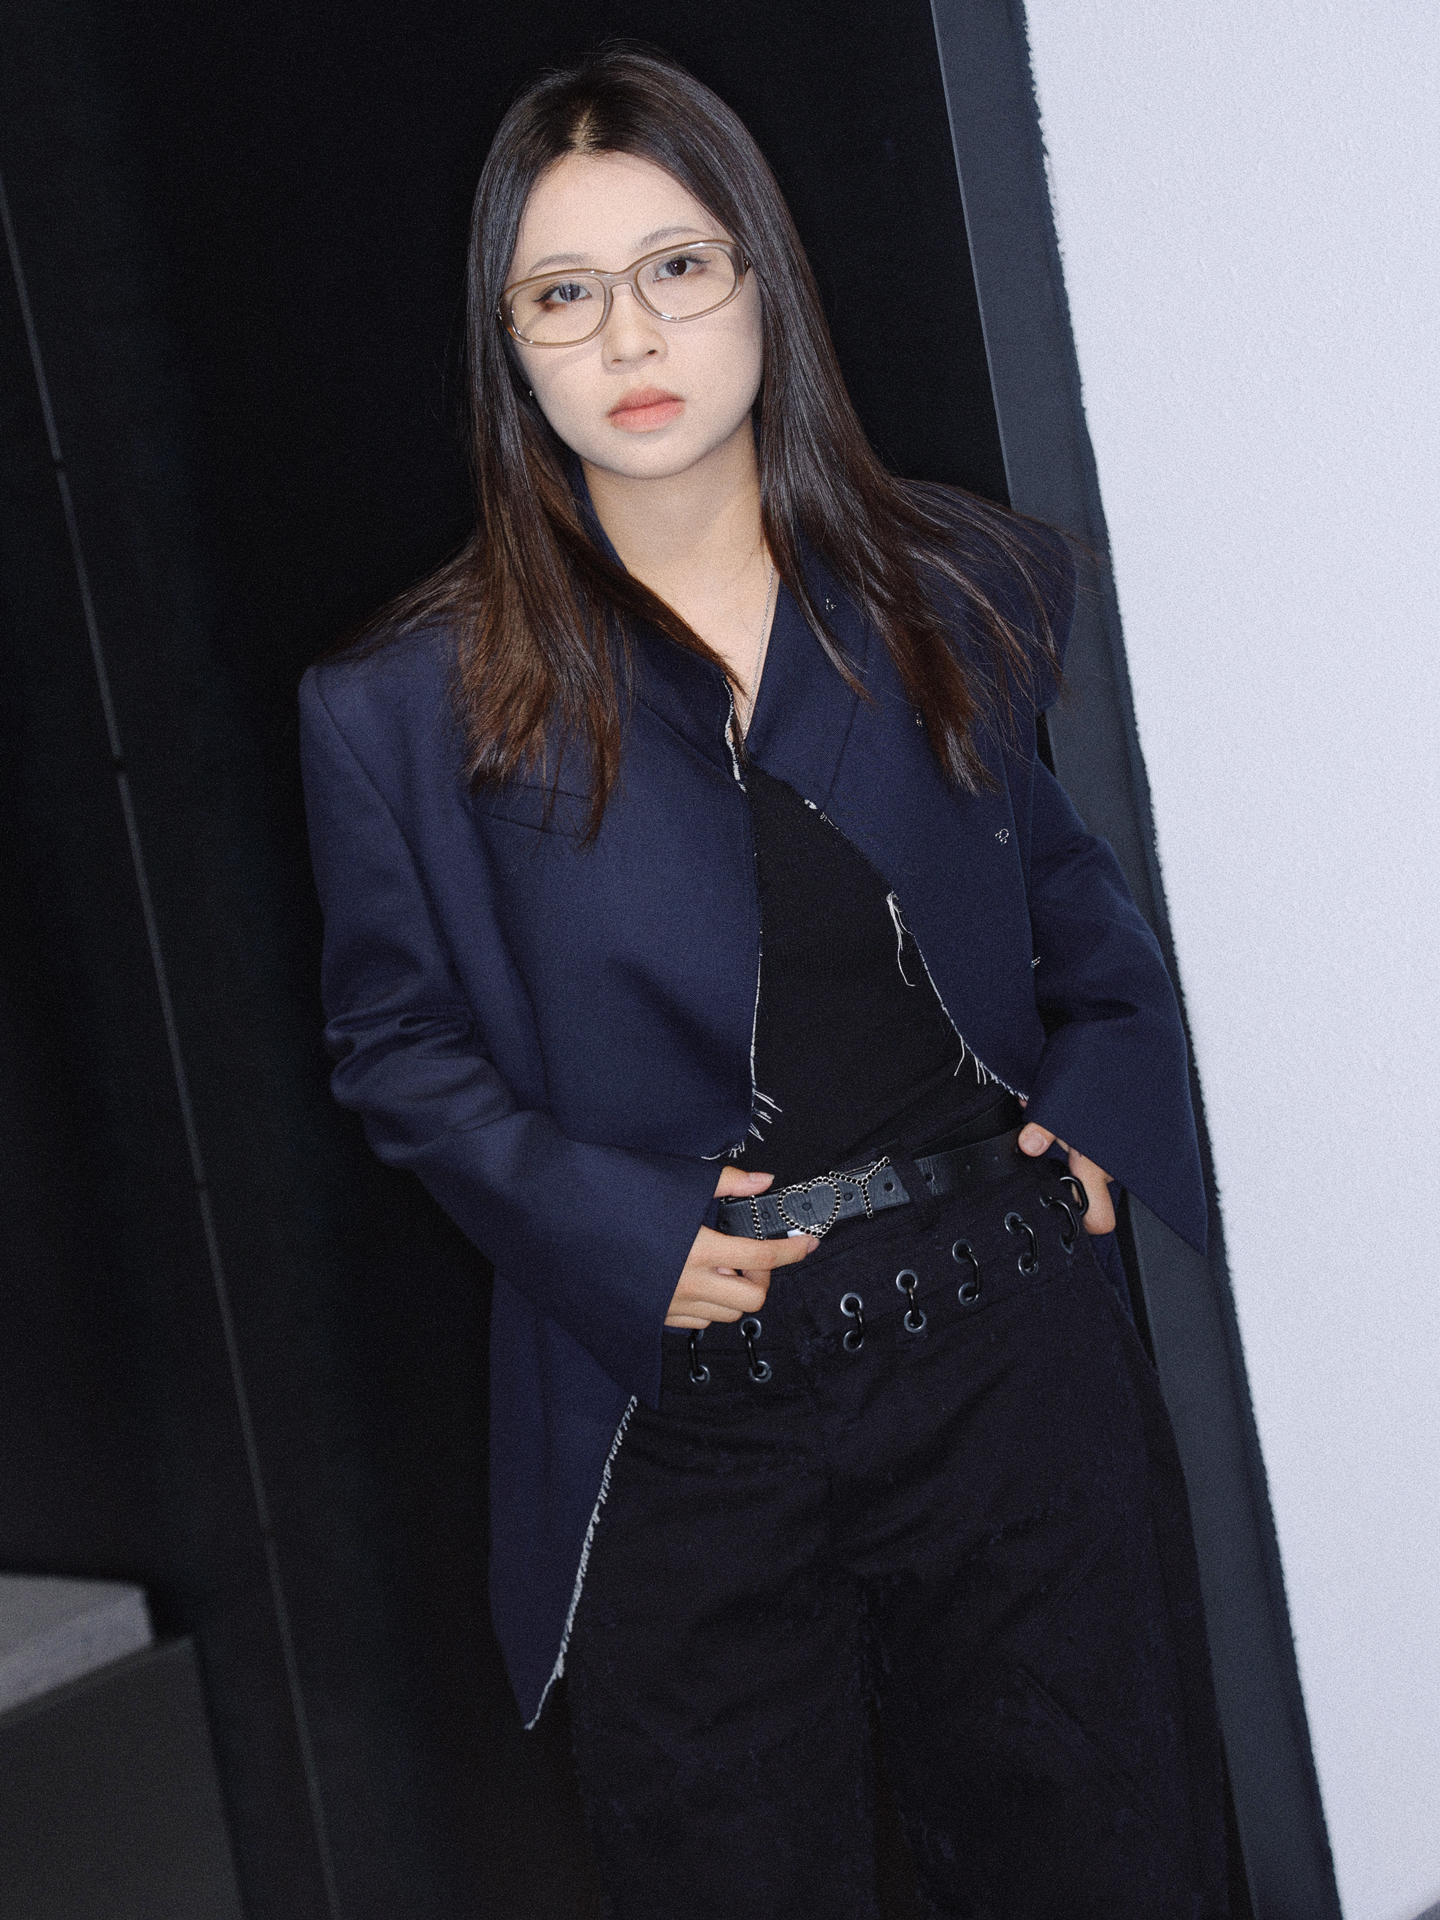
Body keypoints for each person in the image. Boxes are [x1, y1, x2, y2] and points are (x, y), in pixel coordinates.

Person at [299, 44, 1228, 1920]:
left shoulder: (955, 586)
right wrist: (602, 1225)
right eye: (565, 294)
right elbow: (393, 1045)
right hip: (677, 1409)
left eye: (678, 266)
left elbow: (1078, 896)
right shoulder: (398, 709)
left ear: (759, 284)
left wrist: (1104, 1113)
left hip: (1002, 1351)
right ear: (513, 347)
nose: (628, 330)